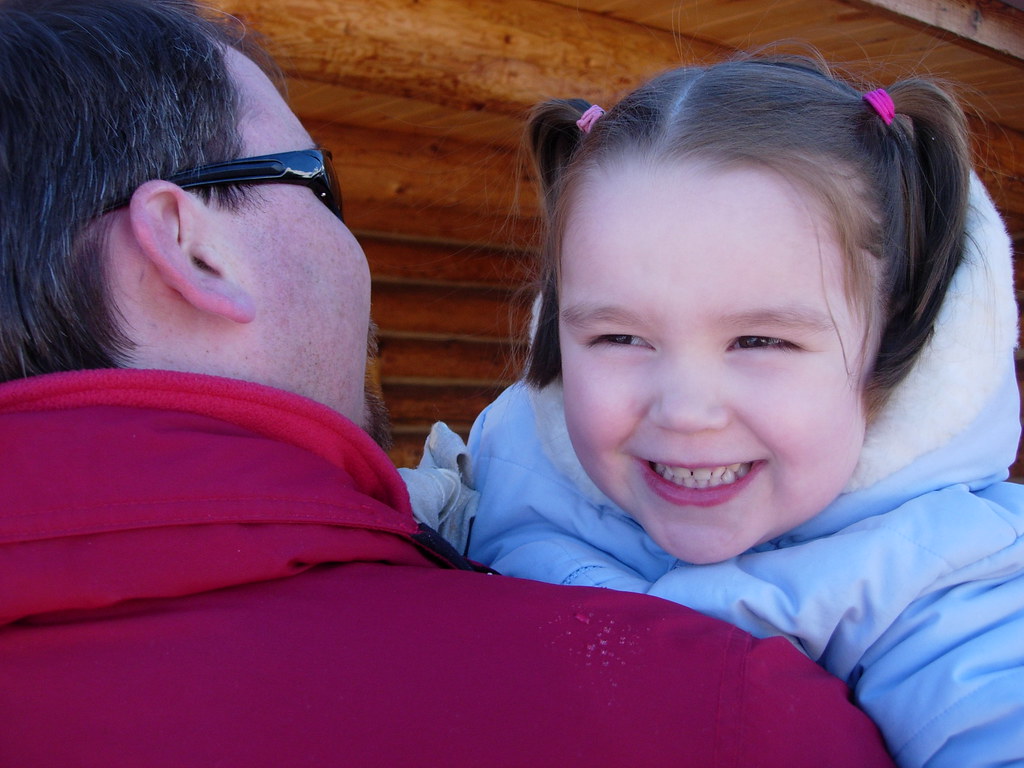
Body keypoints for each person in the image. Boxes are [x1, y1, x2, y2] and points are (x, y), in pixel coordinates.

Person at [0, 2, 897, 766]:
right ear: (195, 245)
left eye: (761, 338)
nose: (688, 405)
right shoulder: (715, 718)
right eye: (319, 185)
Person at [465, 51, 1024, 767]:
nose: (686, 410)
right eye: (620, 336)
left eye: (760, 339)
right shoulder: (501, 475)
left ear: (896, 344)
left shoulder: (951, 584)